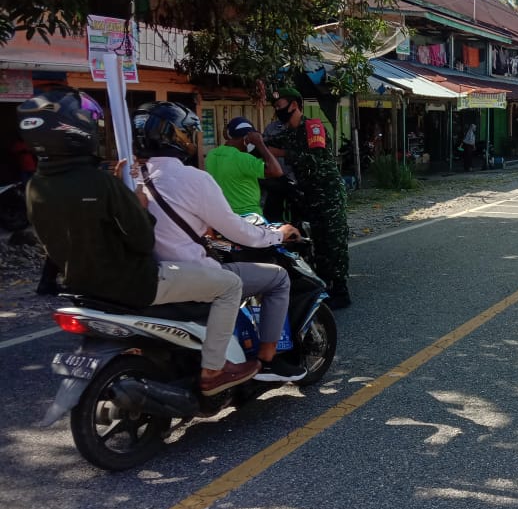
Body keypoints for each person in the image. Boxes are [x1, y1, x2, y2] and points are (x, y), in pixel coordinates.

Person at [18, 89, 259, 396]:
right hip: (134, 282)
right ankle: (214, 370)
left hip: (79, 285)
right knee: (229, 285)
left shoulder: (35, 186)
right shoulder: (104, 183)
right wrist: (139, 207)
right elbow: (143, 241)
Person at [133, 101, 307, 382]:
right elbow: (241, 227)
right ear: (178, 136)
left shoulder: (132, 177)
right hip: (204, 258)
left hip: (152, 268)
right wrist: (279, 234)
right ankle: (267, 360)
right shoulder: (192, 177)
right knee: (277, 279)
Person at [264, 87, 352, 309]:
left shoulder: (313, 127)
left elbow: (314, 159)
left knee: (334, 241)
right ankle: (325, 285)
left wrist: (282, 153)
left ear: (294, 105)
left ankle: (341, 289)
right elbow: (269, 144)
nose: (278, 110)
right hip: (309, 194)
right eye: (275, 106)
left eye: (281, 105)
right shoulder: (288, 132)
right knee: (319, 242)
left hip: (328, 193)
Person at [205, 116, 283, 216]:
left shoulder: (211, 155)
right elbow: (276, 171)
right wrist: (260, 144)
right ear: (246, 139)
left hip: (223, 215)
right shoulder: (242, 159)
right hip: (248, 216)